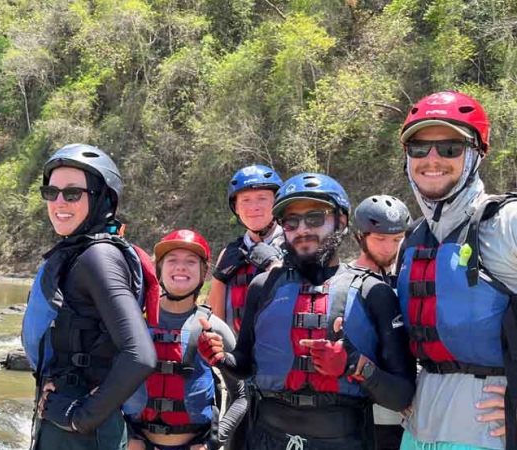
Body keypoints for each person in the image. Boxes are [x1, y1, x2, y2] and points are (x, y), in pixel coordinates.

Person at [197, 172, 417, 450]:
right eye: (291, 221)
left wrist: (355, 365)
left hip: (343, 440)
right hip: (266, 437)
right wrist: (222, 358)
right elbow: (244, 364)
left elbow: (402, 395)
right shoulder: (263, 286)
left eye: (315, 218)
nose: (302, 229)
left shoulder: (373, 293)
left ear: (342, 220)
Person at [395, 91, 517, 450]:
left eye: (450, 148)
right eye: (419, 148)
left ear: (476, 155)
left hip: (487, 434)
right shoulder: (414, 238)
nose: (432, 159)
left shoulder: (506, 224)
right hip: (418, 428)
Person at [21, 143, 159, 450]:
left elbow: (140, 355)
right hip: (64, 421)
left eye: (72, 193)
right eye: (51, 192)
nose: (59, 202)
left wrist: (79, 417)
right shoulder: (78, 253)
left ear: (102, 198)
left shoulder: (98, 257)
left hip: (84, 434)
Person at [125, 229, 237, 450]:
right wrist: (125, 435)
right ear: (159, 270)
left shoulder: (214, 327)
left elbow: (242, 395)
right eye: (172, 260)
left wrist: (213, 441)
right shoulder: (133, 322)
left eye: (191, 261)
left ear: (204, 273)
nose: (181, 267)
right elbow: (104, 381)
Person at [205, 165, 285, 449]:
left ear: (277, 202)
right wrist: (218, 277)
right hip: (241, 361)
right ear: (236, 208)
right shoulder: (231, 252)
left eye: (262, 199)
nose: (254, 207)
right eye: (245, 201)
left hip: (280, 364)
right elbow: (216, 315)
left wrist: (277, 265)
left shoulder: (294, 242)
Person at [350, 195, 413, 450]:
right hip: (364, 412)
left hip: (406, 412)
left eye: (397, 240)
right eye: (379, 239)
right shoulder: (345, 284)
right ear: (359, 236)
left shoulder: (407, 282)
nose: (389, 248)